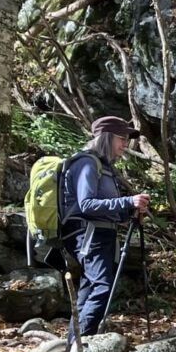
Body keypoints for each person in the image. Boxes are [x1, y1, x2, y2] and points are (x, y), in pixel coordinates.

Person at [60, 116, 150, 336]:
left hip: (101, 234)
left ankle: (76, 348)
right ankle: (85, 346)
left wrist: (131, 212)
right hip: (89, 235)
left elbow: (106, 207)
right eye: (122, 138)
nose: (125, 145)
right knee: (103, 287)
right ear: (107, 137)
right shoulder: (87, 163)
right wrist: (129, 201)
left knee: (90, 289)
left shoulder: (104, 167)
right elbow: (87, 204)